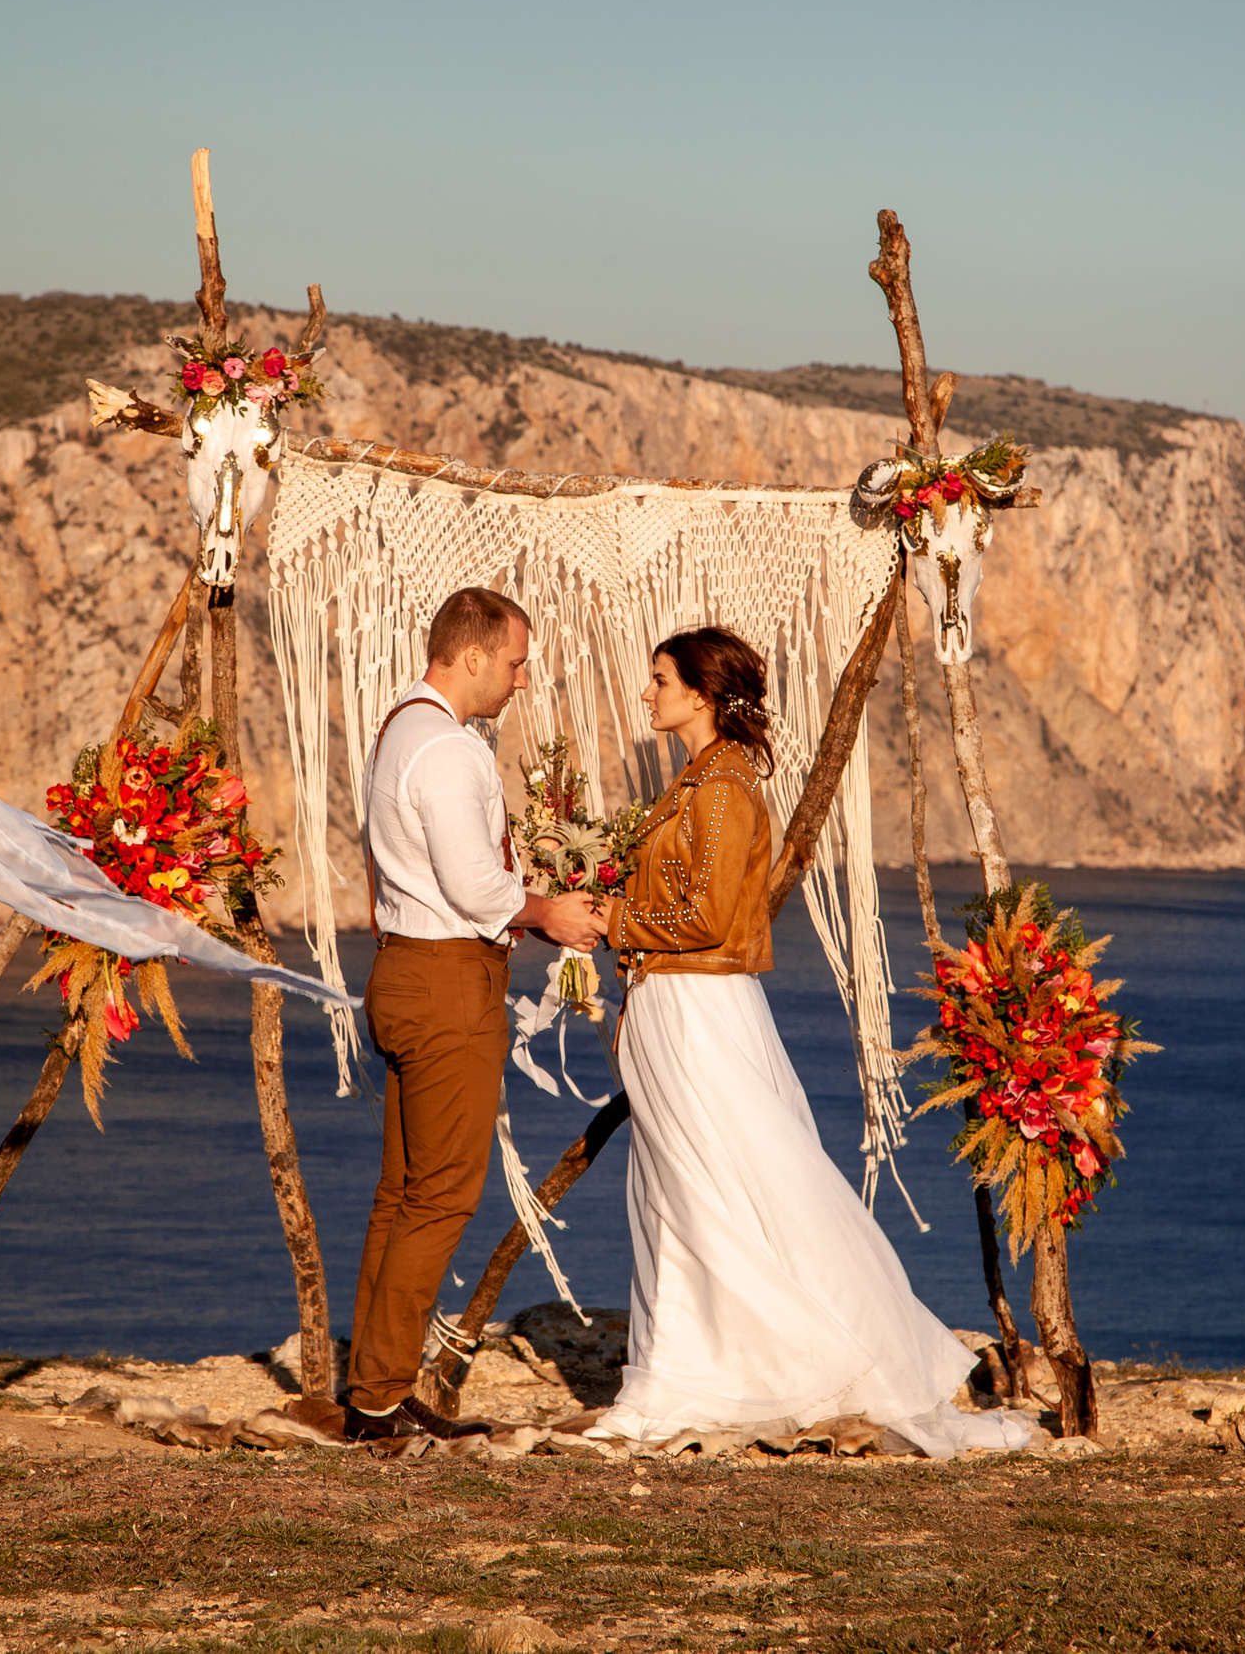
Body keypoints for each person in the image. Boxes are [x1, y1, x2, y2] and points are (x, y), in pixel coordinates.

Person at [586, 625, 1033, 1458]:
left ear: (701, 693)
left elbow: (712, 916)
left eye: (658, 678)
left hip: (698, 1008)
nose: (646, 692)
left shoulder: (721, 788)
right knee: (686, 1190)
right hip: (674, 1003)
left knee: (734, 1181)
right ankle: (687, 1365)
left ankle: (745, 1364)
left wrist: (617, 918)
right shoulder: (697, 781)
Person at [345, 586, 607, 1442]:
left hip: (401, 970)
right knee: (444, 1197)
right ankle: (380, 1396)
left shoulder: (398, 731)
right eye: (516, 661)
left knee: (401, 1193)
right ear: (470, 656)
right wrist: (550, 912)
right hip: (448, 982)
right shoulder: (450, 750)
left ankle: (372, 1387)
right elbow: (474, 885)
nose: (522, 679)